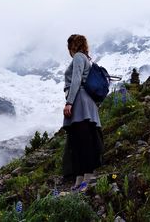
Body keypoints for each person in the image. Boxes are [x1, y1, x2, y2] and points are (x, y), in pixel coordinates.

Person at [62, 34, 103, 190]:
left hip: (80, 102)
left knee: (83, 140)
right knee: (79, 140)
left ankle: (89, 177)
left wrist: (69, 102)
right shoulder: (86, 58)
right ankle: (80, 178)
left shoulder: (79, 57)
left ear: (72, 46)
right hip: (86, 103)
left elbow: (76, 80)